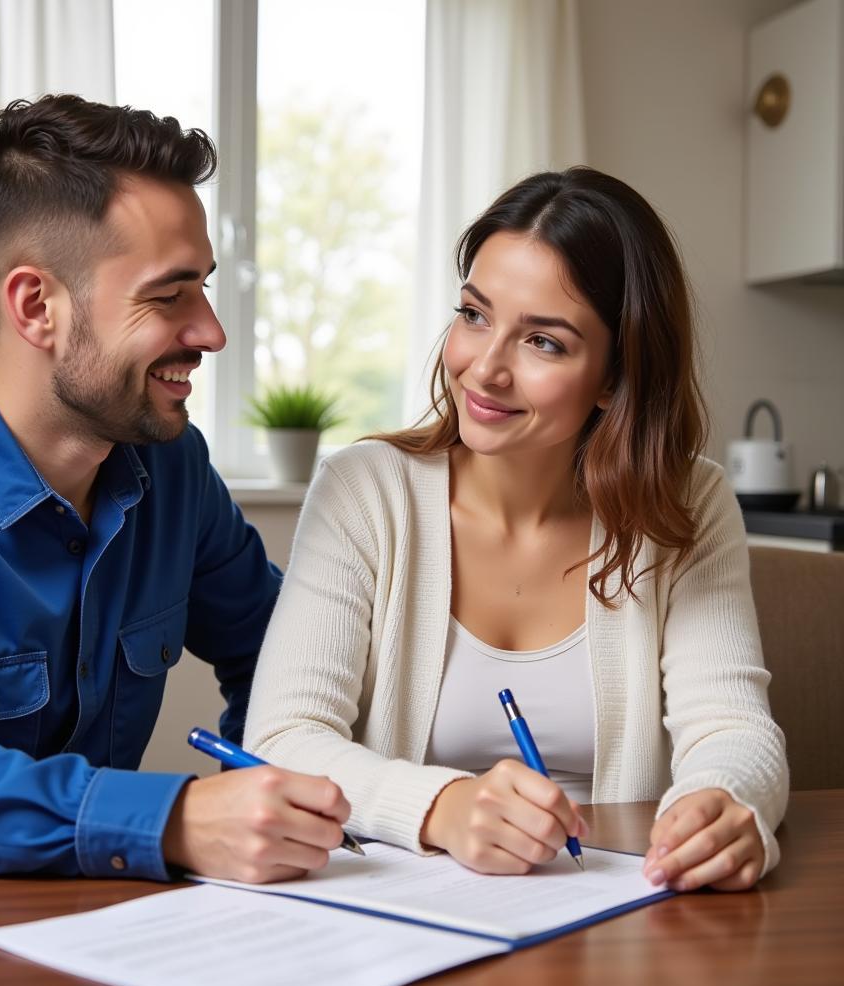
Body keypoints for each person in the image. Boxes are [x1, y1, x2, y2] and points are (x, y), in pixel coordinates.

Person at [0, 94, 349, 884]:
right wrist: (172, 820)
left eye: (203, 288)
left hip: (118, 936)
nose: (210, 331)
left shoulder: (171, 469)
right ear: (38, 306)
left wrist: (265, 799)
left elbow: (286, 661)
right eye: (169, 295)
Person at [244, 167, 789, 892]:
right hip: (398, 915)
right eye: (474, 314)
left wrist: (724, 802)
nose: (485, 369)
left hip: (619, 912)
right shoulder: (365, 490)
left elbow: (734, 729)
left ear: (613, 378)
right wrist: (443, 806)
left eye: (543, 342)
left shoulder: (688, 501)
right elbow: (284, 739)